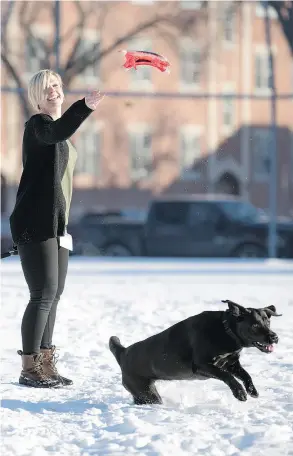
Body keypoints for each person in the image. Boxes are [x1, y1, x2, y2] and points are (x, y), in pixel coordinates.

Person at [9, 69, 104, 388]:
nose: (53, 90)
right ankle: (29, 368)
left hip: (58, 225)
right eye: (46, 87)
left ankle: (46, 363)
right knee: (41, 295)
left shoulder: (58, 131)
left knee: (54, 295)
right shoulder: (38, 126)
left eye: (57, 85)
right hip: (35, 222)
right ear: (36, 96)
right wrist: (83, 107)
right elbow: (55, 134)